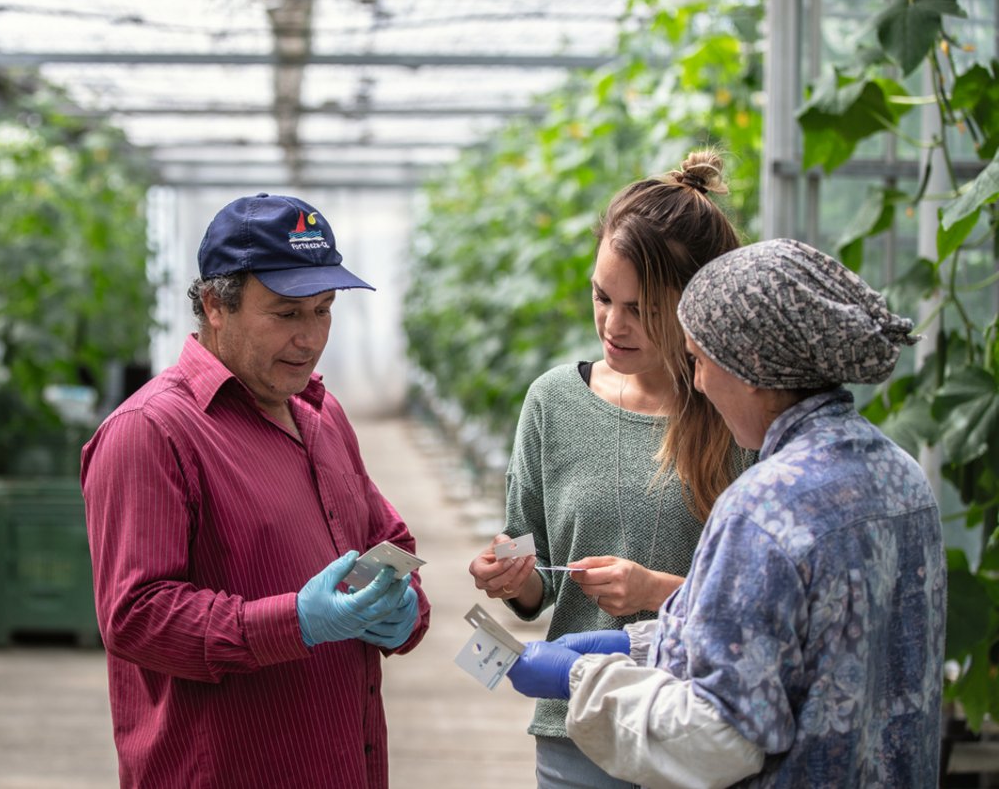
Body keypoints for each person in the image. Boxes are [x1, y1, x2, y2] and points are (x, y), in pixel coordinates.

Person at [506, 238, 945, 788]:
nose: (698, 382)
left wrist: (584, 677)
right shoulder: (901, 477)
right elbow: (779, 648)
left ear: (751, 368)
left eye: (699, 360)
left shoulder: (762, 507)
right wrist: (641, 645)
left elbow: (717, 737)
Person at [81, 192, 430, 789]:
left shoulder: (321, 414)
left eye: (323, 311)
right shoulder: (152, 433)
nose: (311, 338)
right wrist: (291, 620)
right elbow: (134, 616)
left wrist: (407, 608)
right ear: (216, 305)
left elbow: (385, 537)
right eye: (287, 314)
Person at [467, 150, 754, 788]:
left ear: (694, 303)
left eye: (642, 309)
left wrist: (655, 592)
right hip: (579, 733)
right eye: (602, 297)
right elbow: (533, 570)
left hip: (699, 731)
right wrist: (509, 574)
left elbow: (762, 604)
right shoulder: (552, 402)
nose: (613, 326)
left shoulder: (739, 412)